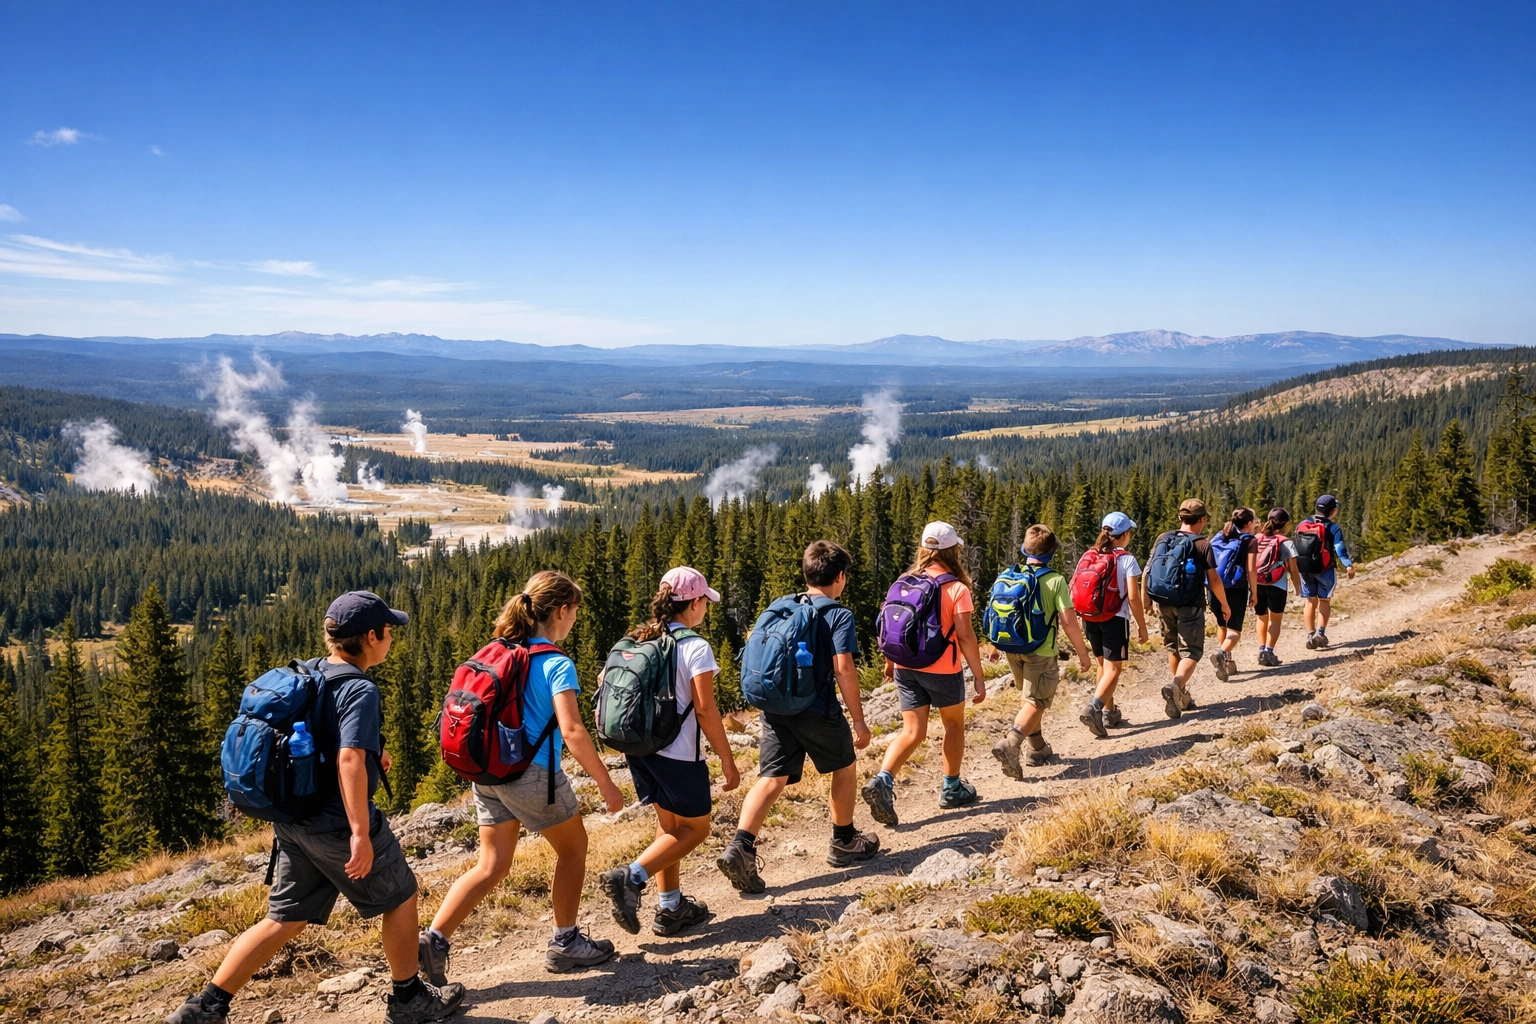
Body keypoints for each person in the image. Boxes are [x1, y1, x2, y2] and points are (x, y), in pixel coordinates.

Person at [169, 592, 464, 1024]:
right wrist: (360, 834)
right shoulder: (360, 688)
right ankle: (409, 1000)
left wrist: (372, 753)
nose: (391, 638)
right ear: (370, 636)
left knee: (284, 918)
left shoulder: (311, 671)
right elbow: (346, 758)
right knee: (401, 896)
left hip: (294, 822)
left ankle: (204, 1007)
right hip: (335, 822)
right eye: (388, 631)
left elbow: (324, 739)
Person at [417, 571, 626, 988]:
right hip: (531, 775)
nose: (574, 622)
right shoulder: (555, 663)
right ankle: (565, 942)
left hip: (488, 772)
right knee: (573, 849)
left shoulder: (498, 651)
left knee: (491, 864)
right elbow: (572, 732)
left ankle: (434, 938)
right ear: (561, 611)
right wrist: (606, 783)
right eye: (574, 614)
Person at [716, 541, 878, 892]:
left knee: (773, 777)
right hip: (815, 708)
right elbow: (844, 668)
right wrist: (859, 720)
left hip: (775, 709)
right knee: (844, 763)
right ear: (840, 578)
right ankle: (844, 839)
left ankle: (740, 846)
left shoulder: (783, 606)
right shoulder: (837, 614)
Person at [600, 567, 742, 936]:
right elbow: (706, 709)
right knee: (696, 830)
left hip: (640, 749)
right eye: (704, 603)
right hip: (678, 754)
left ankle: (671, 907)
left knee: (669, 828)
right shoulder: (695, 647)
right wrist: (727, 759)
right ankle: (630, 877)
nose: (706, 610)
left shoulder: (638, 638)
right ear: (693, 604)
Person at [861, 521, 987, 827]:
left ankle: (883, 779)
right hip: (942, 668)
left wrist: (890, 662)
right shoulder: (956, 588)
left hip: (906, 666)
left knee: (912, 731)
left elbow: (891, 624)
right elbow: (966, 637)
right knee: (954, 726)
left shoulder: (904, 580)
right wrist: (979, 677)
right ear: (952, 551)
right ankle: (952, 788)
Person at [990, 525, 1092, 777]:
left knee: (1029, 699)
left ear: (1025, 550)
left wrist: (994, 646)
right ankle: (1011, 745)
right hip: (1041, 651)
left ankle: (1037, 749)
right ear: (1051, 554)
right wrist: (1083, 653)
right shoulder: (1054, 580)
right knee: (1037, 702)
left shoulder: (1009, 575)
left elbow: (997, 612)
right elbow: (1068, 621)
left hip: (1011, 648)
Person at [1147, 499, 1229, 721]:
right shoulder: (1202, 544)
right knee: (1192, 651)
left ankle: (1180, 694)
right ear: (1202, 519)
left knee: (1172, 647)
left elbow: (1148, 569)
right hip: (1190, 604)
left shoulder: (1163, 538)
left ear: (1179, 518)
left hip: (1163, 601)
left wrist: (1147, 601)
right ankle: (1176, 685)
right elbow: (1213, 579)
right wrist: (1223, 604)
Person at [1076, 513, 1149, 739]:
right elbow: (1134, 598)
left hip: (1090, 617)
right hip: (1115, 618)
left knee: (1102, 665)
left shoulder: (1088, 555)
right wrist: (1142, 626)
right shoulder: (1126, 559)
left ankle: (1109, 712)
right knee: (1114, 668)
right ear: (1124, 535)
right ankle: (1095, 708)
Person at [1299, 494, 1356, 649]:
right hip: (1325, 569)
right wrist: (1348, 564)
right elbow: (1339, 548)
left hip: (1305, 569)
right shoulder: (1333, 527)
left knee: (1310, 601)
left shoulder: (1303, 524)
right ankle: (1320, 633)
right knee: (1324, 601)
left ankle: (1310, 634)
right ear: (1332, 511)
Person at [1207, 507, 1256, 682]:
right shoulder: (1249, 540)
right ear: (1249, 523)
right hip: (1236, 588)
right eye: (1255, 521)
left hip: (1214, 586)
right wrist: (1254, 593)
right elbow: (1251, 569)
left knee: (1222, 625)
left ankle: (1227, 663)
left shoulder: (1220, 536)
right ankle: (1222, 655)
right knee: (1234, 630)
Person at [1250, 508, 1303, 666]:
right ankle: (1269, 651)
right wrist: (1298, 588)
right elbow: (1293, 569)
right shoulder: (1286, 542)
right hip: (1277, 584)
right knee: (1275, 619)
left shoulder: (1256, 538)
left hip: (1257, 583)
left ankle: (1261, 649)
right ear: (1286, 524)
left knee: (1261, 617)